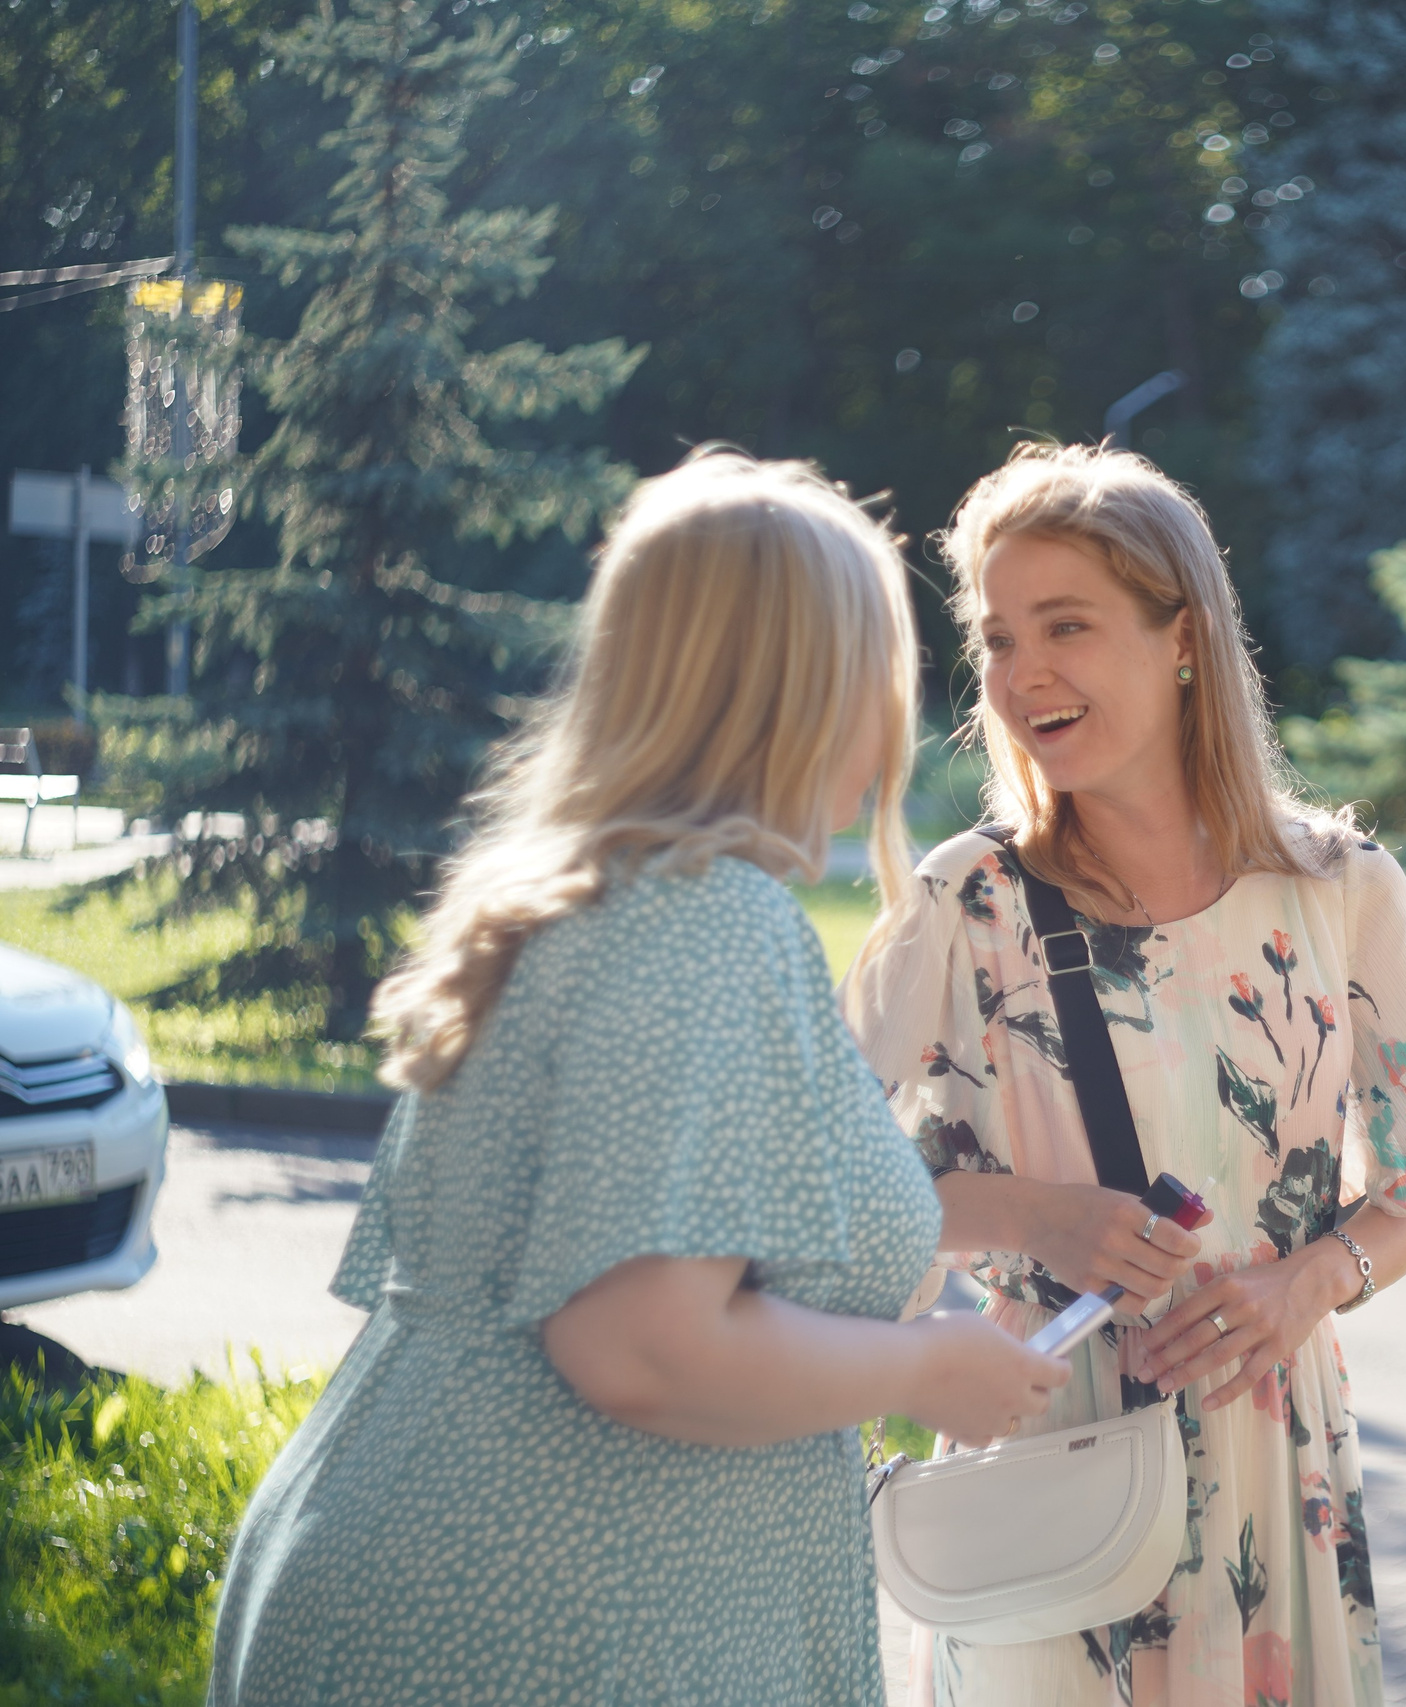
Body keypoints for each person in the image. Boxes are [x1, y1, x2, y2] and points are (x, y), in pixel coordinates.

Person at [209, 451, 1069, 1707]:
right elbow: (642, 1347)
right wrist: (926, 1371)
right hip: (549, 1619)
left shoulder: (578, 896)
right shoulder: (702, 921)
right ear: (807, 684)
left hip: (436, 1568)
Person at [850, 442, 1406, 1707]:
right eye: (997, 637)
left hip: (1276, 1463)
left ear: (1180, 636)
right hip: (1041, 1470)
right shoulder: (962, 902)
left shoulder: (1343, 891)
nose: (1023, 674)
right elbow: (814, 1191)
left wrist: (1307, 1281)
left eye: (1065, 626)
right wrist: (1027, 1218)